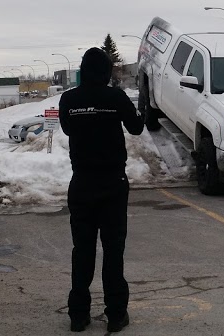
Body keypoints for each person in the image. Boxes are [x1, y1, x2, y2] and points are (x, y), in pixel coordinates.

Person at [59, 47, 144, 332]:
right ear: (107, 72)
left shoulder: (68, 99)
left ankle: (78, 315)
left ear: (83, 70)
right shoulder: (116, 97)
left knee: (82, 249)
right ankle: (116, 313)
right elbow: (135, 128)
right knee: (113, 250)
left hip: (81, 182)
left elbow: (68, 129)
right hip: (113, 184)